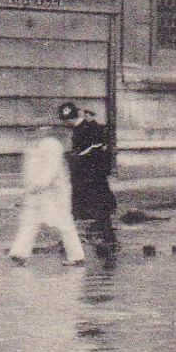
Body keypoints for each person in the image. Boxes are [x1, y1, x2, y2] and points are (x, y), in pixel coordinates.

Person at [8, 125, 86, 267]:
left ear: (42, 131)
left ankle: (77, 255)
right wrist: (30, 186)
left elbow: (52, 168)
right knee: (29, 221)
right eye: (28, 131)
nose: (30, 134)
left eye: (33, 131)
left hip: (54, 192)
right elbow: (29, 170)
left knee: (63, 222)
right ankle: (20, 253)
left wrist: (40, 184)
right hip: (36, 192)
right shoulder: (32, 147)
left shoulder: (52, 145)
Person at [60, 102, 118, 257]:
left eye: (66, 121)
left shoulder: (86, 129)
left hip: (91, 175)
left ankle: (104, 237)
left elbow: (92, 151)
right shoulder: (83, 128)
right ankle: (103, 234)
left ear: (69, 119)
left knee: (94, 204)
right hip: (89, 175)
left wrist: (75, 157)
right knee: (93, 205)